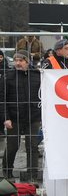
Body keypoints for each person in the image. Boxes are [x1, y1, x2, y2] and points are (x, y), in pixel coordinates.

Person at [2, 51, 42, 182]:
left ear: (27, 61)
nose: (18, 63)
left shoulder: (37, 75)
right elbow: (3, 99)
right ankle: (7, 173)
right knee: (13, 146)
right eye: (15, 60)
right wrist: (6, 118)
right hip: (14, 117)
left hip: (33, 117)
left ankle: (32, 176)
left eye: (21, 60)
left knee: (32, 146)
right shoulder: (8, 76)